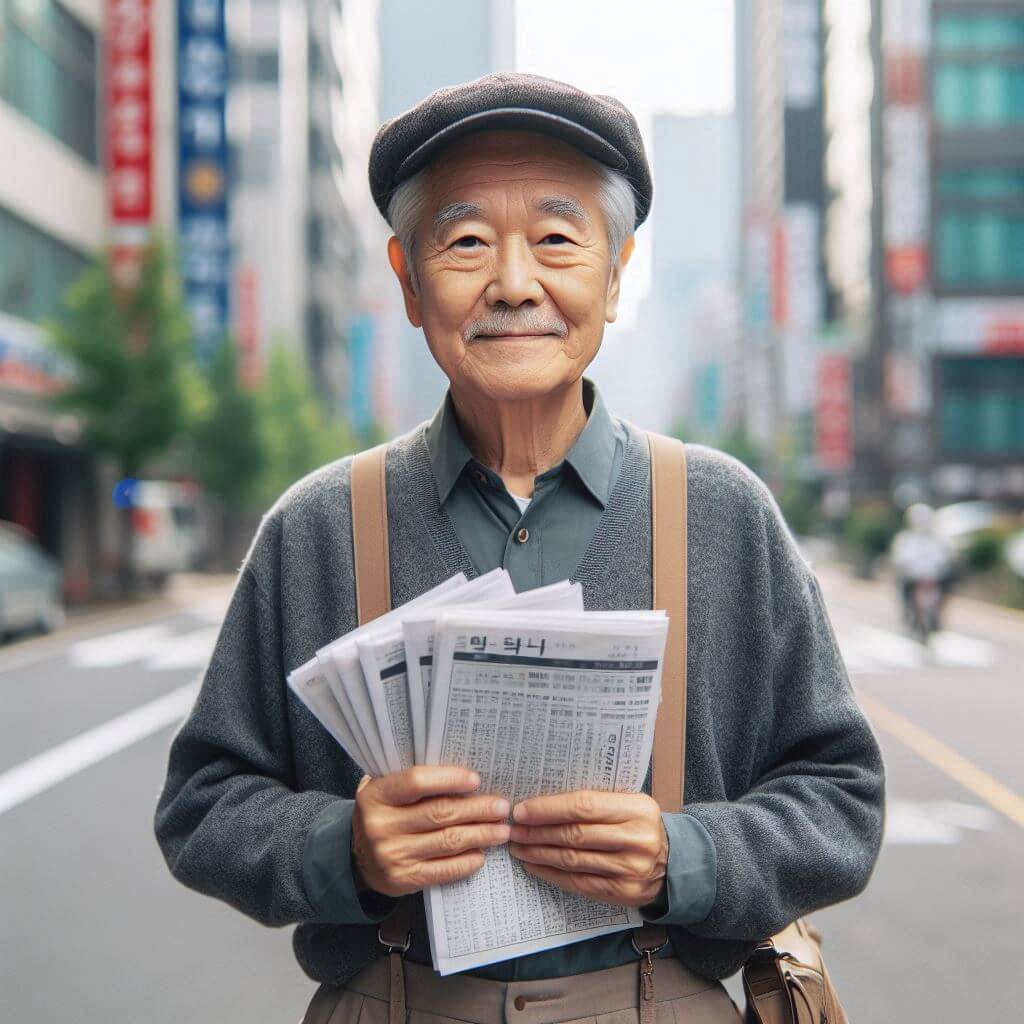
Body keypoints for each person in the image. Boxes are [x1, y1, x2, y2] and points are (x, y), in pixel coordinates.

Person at [154, 72, 885, 1024]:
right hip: (398, 1001)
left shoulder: (722, 512)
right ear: (409, 282)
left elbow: (844, 797)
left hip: (660, 1000)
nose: (511, 282)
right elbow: (202, 804)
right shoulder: (320, 526)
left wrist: (686, 856)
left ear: (615, 275)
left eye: (556, 238)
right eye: (463, 242)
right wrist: (344, 847)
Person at [890, 503, 955, 636]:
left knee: (947, 587)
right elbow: (900, 559)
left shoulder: (938, 538)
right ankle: (909, 614)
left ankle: (936, 615)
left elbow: (946, 557)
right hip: (914, 578)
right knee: (903, 587)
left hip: (933, 578)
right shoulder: (906, 538)